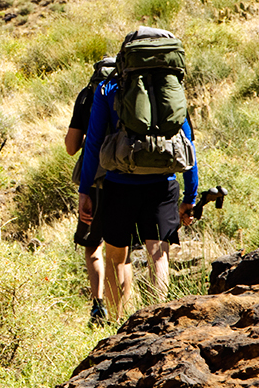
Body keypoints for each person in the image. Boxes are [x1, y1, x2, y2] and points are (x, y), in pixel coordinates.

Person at [78, 33, 199, 317]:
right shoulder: (173, 89)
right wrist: (190, 195)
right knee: (158, 254)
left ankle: (117, 324)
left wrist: (86, 190)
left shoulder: (108, 89)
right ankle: (160, 320)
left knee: (116, 257)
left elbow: (94, 143)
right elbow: (188, 142)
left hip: (118, 184)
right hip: (164, 183)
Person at [66, 57, 115, 325]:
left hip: (94, 179)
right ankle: (121, 312)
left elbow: (71, 147)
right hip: (126, 177)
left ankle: (98, 308)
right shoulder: (128, 89)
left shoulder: (88, 94)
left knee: (92, 245)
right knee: (122, 250)